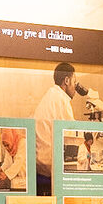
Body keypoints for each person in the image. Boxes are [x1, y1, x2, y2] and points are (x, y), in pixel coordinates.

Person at [34, 61, 78, 194]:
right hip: (48, 171)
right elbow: (72, 134)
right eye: (74, 82)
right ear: (66, 80)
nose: (75, 87)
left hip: (39, 166)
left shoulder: (50, 96)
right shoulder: (61, 99)